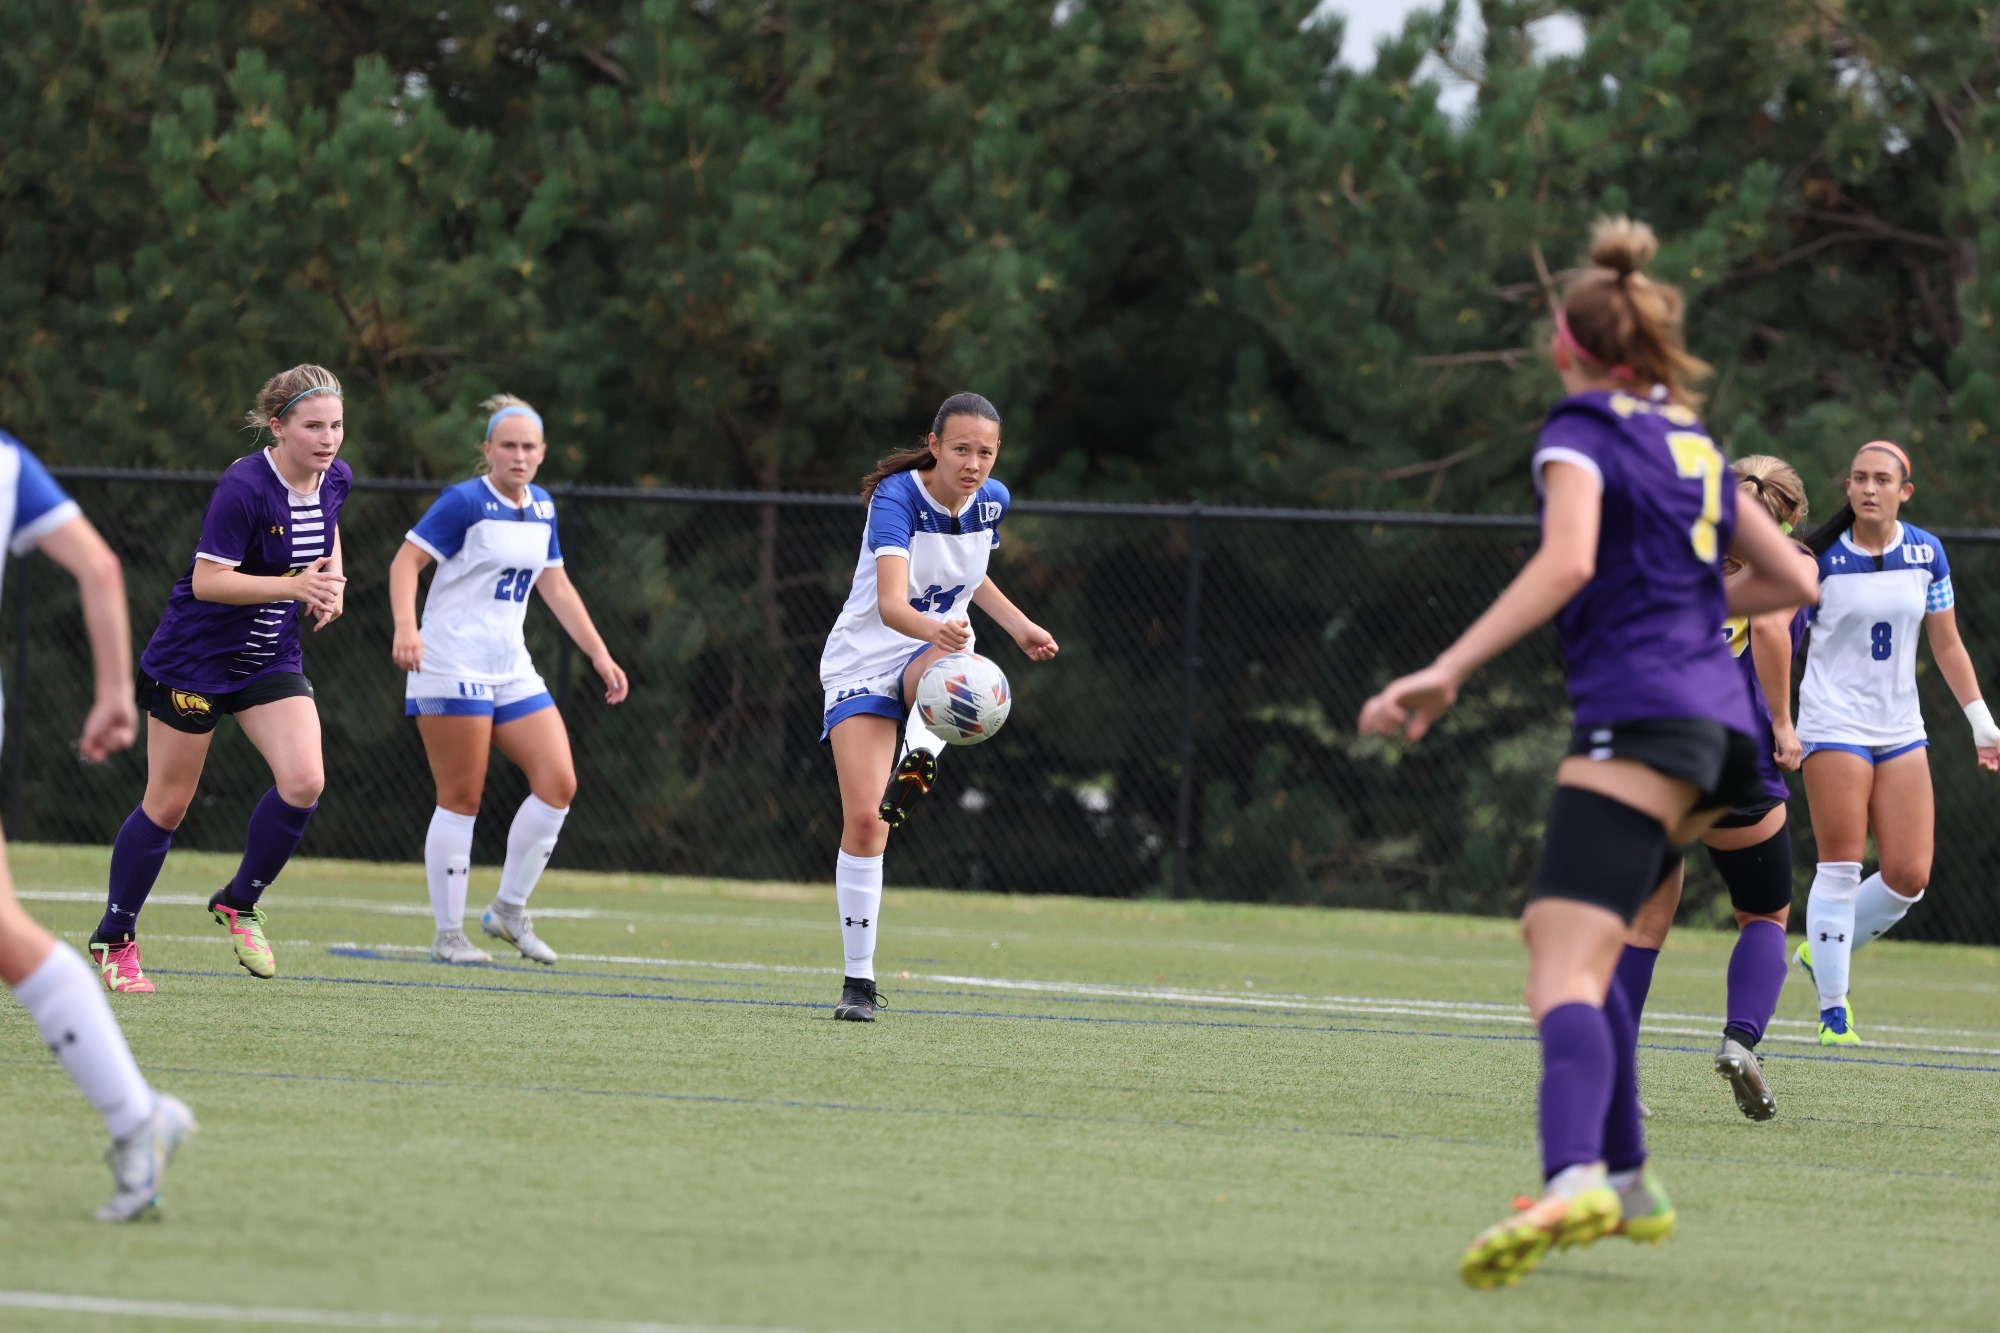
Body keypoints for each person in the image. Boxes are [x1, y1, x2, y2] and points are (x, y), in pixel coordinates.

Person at [1358, 218, 1817, 1289]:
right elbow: (1793, 582)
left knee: (1557, 962)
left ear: (1568, 345)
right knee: (1587, 944)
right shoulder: (1697, 444)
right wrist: (1682, 596)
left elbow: (1565, 561)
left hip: (1643, 721)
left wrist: (1447, 667)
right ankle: (1634, 1175)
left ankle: (1577, 1178)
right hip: (1721, 735)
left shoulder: (1578, 431)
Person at [87, 365, 351, 990]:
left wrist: (330, 583)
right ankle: (114, 937)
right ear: (278, 425)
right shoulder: (244, 487)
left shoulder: (335, 476)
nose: (328, 438)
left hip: (269, 658)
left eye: (337, 425)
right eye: (313, 426)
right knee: (168, 806)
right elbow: (209, 581)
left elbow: (328, 533)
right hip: (195, 661)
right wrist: (294, 585)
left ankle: (240, 900)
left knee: (305, 780)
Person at [0, 424, 195, 1218]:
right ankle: (135, 1116)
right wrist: (114, 690)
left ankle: (135, 1116)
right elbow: (99, 565)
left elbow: (103, 566)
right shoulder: (7, 460)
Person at [817, 392, 1058, 1022]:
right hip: (867, 658)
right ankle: (859, 984)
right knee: (868, 824)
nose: (973, 463)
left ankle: (920, 756)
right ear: (935, 446)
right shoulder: (896, 499)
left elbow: (971, 574)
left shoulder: (993, 501)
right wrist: (935, 629)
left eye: (985, 452)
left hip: (935, 654)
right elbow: (894, 605)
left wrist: (1020, 627)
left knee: (957, 678)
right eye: (960, 449)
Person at [389, 394, 627, 965]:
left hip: (511, 667)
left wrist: (598, 654)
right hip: (449, 664)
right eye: (508, 446)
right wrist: (406, 627)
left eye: (529, 447)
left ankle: (508, 911)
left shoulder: (541, 506)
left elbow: (557, 586)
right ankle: (449, 935)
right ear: (488, 450)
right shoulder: (464, 502)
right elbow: (404, 563)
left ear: (542, 454)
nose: (518, 456)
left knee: (558, 783)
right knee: (463, 797)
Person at [1611, 456, 1812, 1120]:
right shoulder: (1787, 564)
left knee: (1643, 921)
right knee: (1764, 916)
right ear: (1791, 513)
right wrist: (1784, 723)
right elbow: (1776, 631)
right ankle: (1740, 1038)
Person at [1791, 440, 1998, 1044]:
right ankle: (1834, 1012)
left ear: (1905, 491)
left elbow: (1948, 643)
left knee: (1909, 875)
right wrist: (1781, 720)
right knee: (1841, 865)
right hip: (1833, 725)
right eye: (1858, 478)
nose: (1869, 488)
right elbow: (1781, 638)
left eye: (1882, 479)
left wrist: (1981, 721)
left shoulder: (1926, 552)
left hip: (1901, 728)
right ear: (1848, 487)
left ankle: (1821, 949)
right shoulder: (1818, 558)